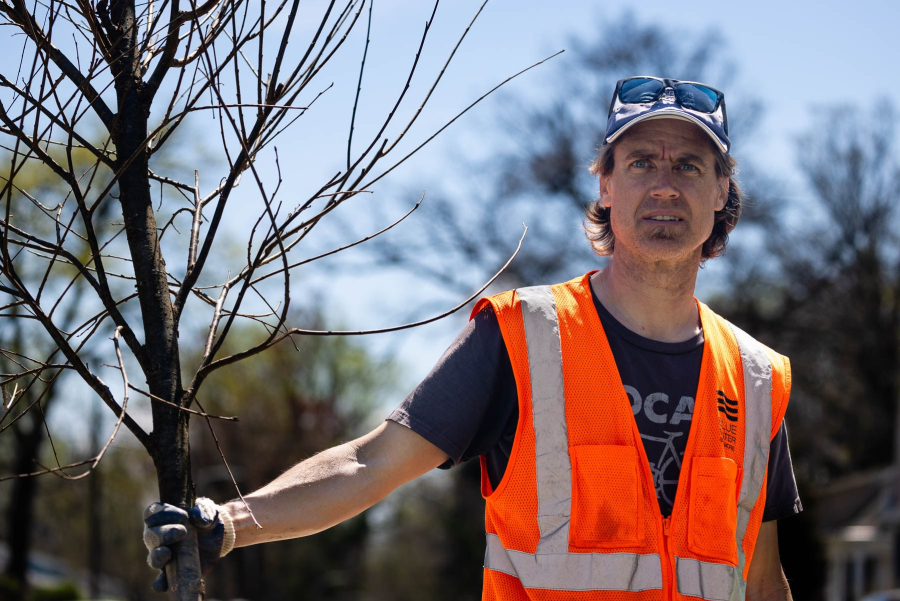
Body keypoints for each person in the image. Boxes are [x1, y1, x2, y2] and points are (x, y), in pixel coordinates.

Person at [144, 76, 801, 600]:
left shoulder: (758, 377)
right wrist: (229, 524)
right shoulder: (521, 337)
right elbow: (370, 463)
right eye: (640, 163)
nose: (664, 184)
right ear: (604, 183)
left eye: (689, 165)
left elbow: (764, 582)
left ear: (722, 191)